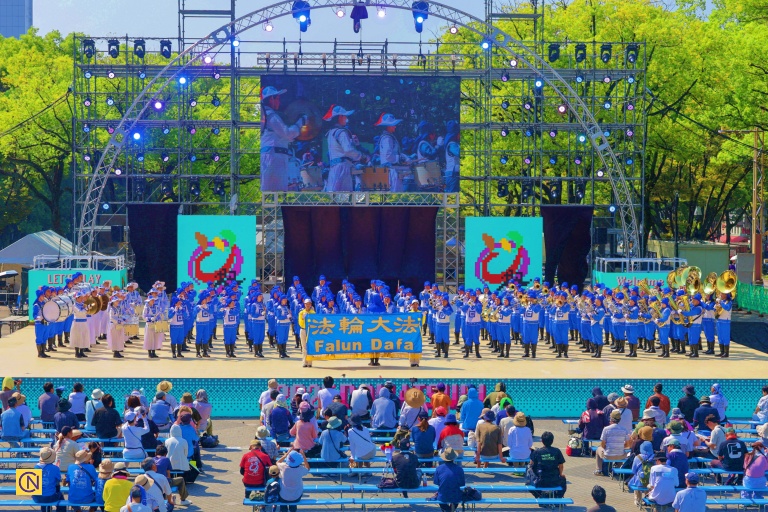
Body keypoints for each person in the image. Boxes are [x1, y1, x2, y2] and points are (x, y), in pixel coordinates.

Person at [260, 86, 304, 192]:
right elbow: (287, 133)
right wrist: (300, 123)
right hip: (273, 157)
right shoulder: (271, 115)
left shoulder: (266, 115)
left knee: (273, 192)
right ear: (271, 99)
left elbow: (283, 137)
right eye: (278, 98)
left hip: (274, 156)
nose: (279, 102)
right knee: (274, 192)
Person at [324, 104, 366, 192]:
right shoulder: (341, 132)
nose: (346, 119)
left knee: (333, 195)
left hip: (334, 166)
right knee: (344, 196)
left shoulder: (330, 132)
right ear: (340, 117)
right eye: (345, 116)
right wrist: (361, 156)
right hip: (343, 167)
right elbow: (348, 150)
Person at [528, 431, 567, 499]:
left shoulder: (537, 452)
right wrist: (560, 474)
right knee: (563, 480)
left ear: (542, 441)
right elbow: (561, 465)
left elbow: (531, 464)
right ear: (552, 440)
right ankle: (558, 497)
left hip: (540, 481)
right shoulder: (557, 451)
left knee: (528, 481)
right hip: (554, 480)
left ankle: (539, 495)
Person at [595, 410, 629, 476]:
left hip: (608, 455)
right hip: (620, 456)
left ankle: (598, 470)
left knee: (598, 450)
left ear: (611, 418)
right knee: (621, 451)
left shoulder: (606, 429)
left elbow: (603, 444)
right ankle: (618, 468)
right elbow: (627, 444)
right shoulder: (624, 429)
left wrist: (606, 448)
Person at [32, 447, 66, 512]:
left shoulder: (36, 467)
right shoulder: (55, 468)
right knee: (60, 498)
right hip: (51, 497)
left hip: (37, 498)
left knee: (42, 492)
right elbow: (58, 480)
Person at [433, 447, 465, 512]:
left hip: (443, 496)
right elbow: (462, 484)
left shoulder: (439, 468)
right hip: (456, 495)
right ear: (454, 458)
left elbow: (437, 482)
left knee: (441, 499)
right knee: (456, 498)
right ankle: (450, 510)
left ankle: (448, 510)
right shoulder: (459, 469)